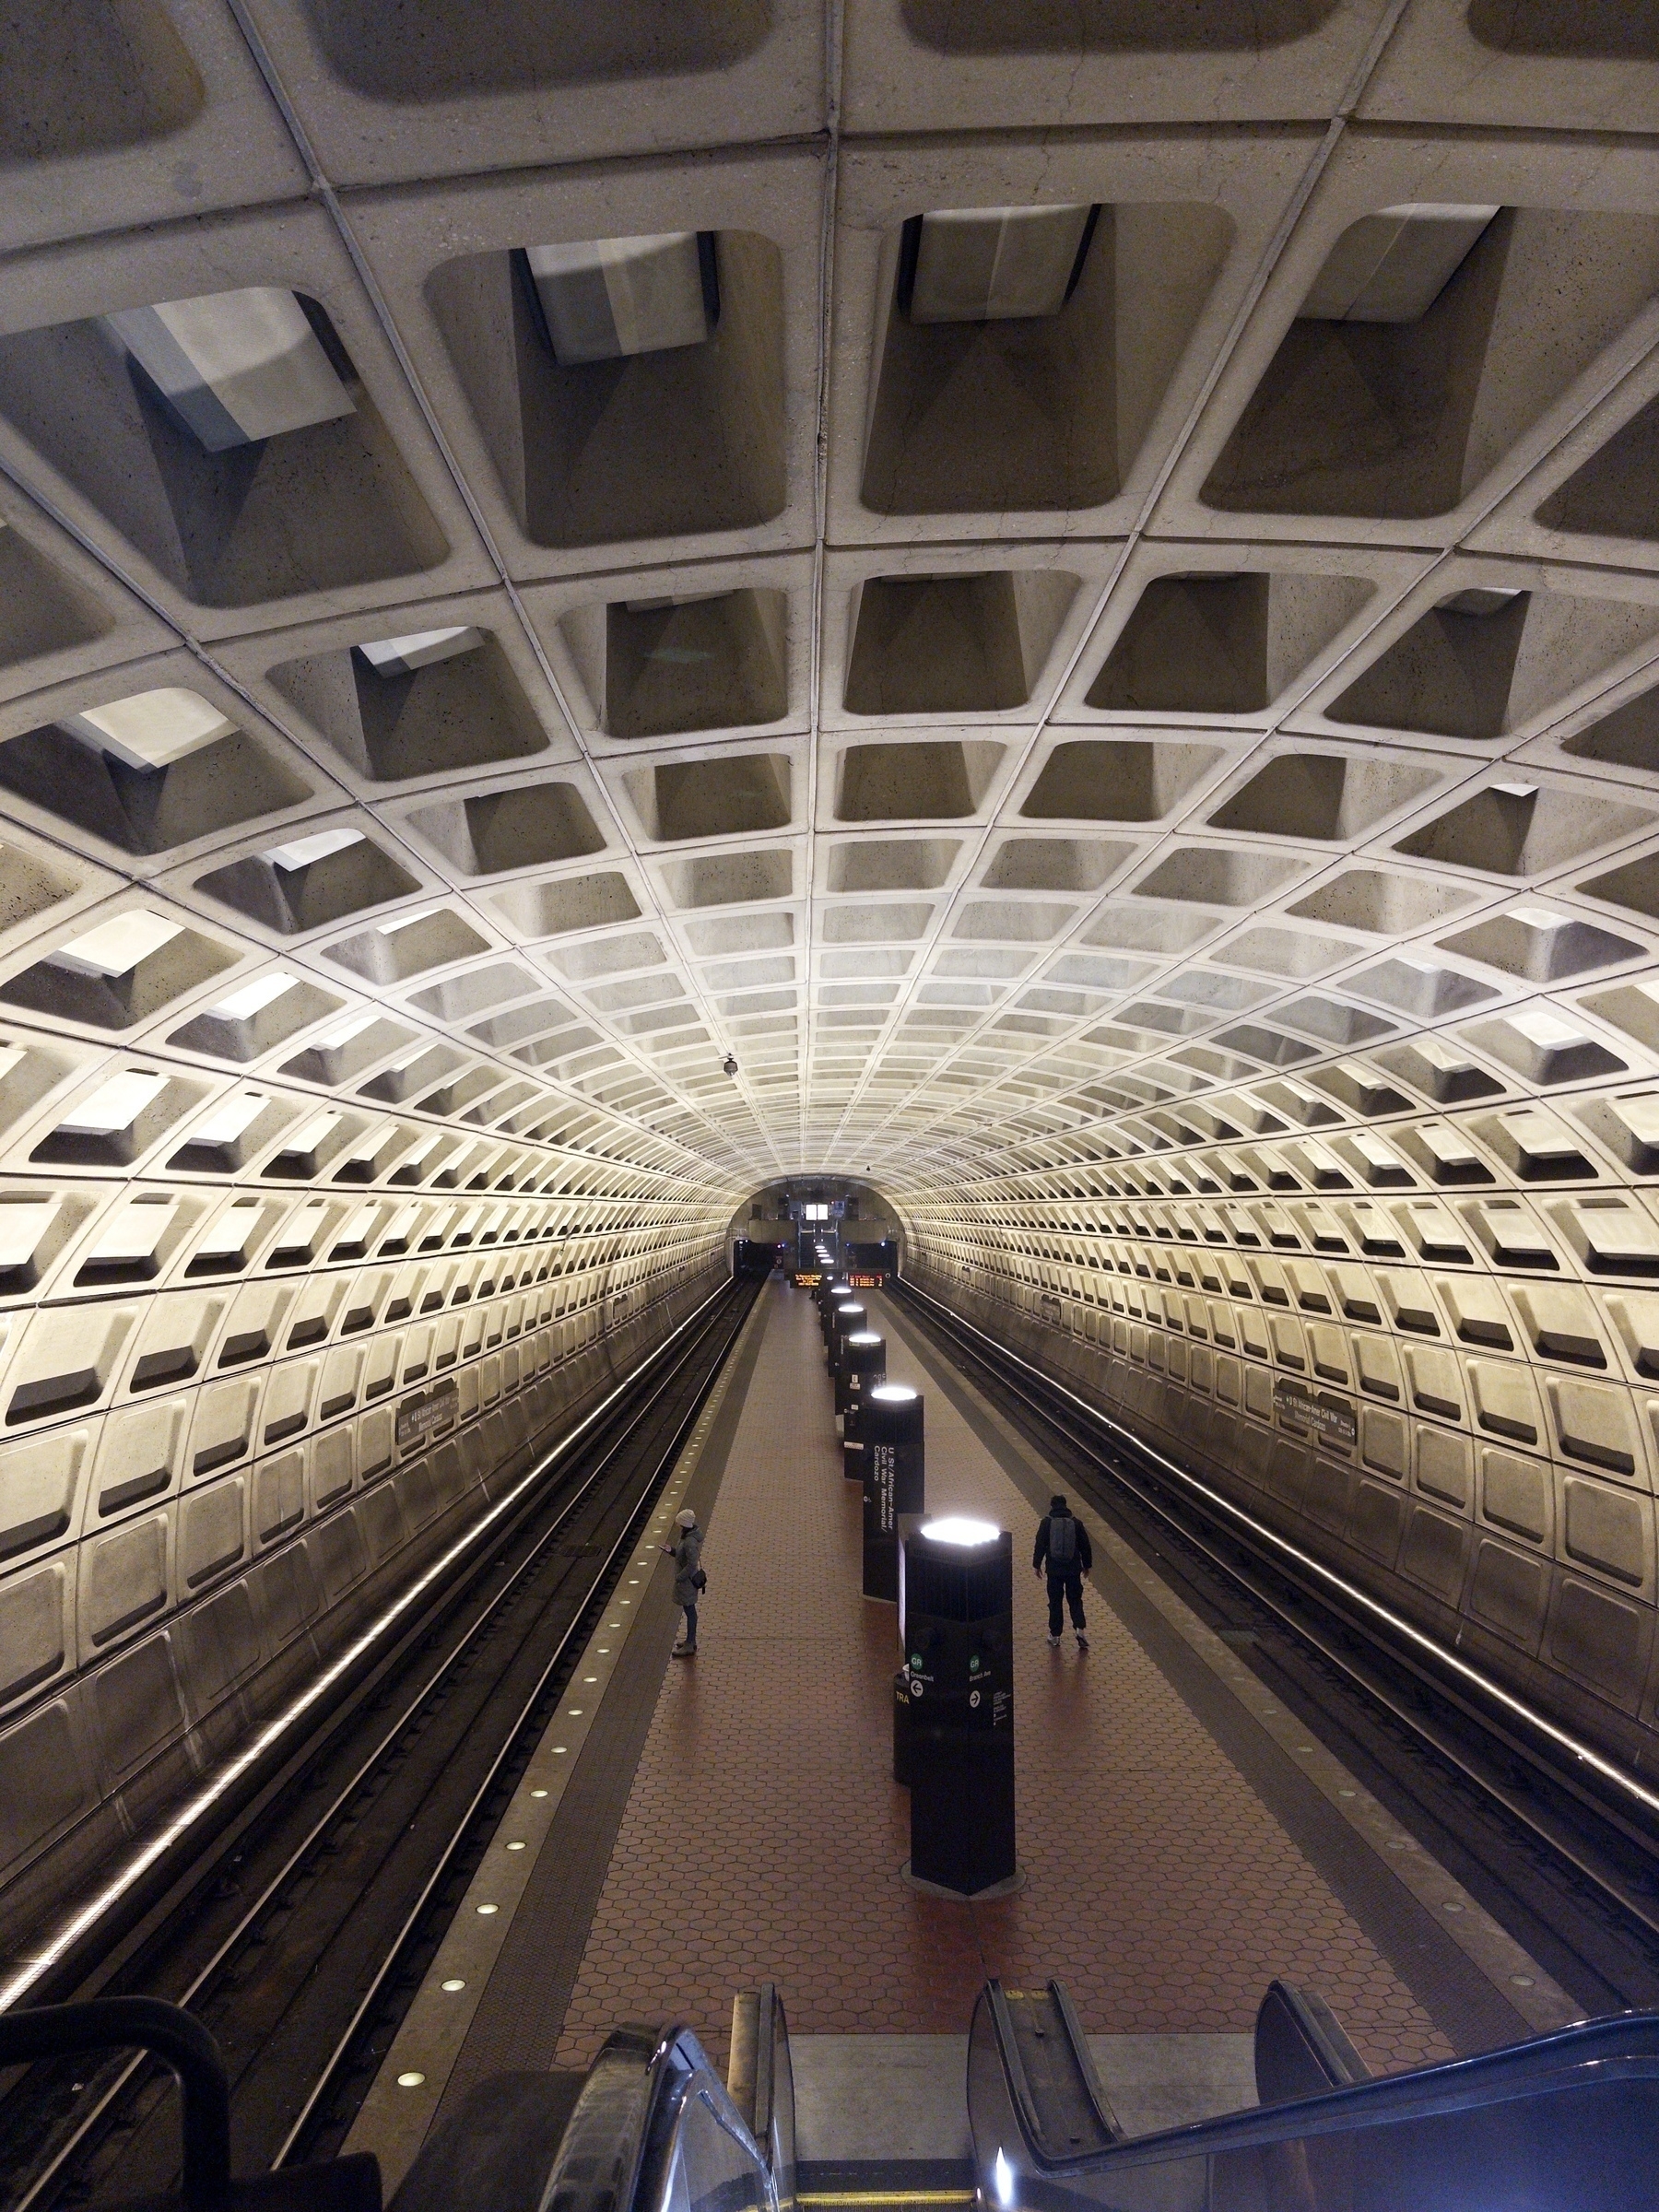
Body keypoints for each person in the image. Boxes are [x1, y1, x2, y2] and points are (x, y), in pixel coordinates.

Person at [1033, 1494, 1090, 1651]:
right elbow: (1085, 1546)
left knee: (1055, 1602)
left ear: (1052, 1506)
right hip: (1073, 1570)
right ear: (1066, 1505)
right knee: (1075, 1600)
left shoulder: (1046, 1523)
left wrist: (1036, 1565)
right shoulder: (1076, 1523)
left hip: (1054, 1570)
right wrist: (1087, 1565)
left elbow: (1040, 1545)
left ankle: (1055, 1636)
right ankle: (1080, 1630)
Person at [665, 1507, 705, 1656]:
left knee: (690, 1612)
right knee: (689, 1611)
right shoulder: (686, 1537)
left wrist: (680, 1576)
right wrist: (671, 1551)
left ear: (684, 1524)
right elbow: (683, 1557)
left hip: (687, 1582)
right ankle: (690, 1641)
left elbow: (691, 1563)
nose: (677, 1525)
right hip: (686, 1580)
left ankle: (690, 1643)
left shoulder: (689, 1541)